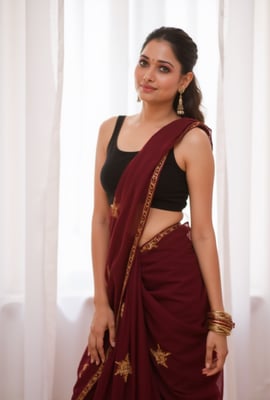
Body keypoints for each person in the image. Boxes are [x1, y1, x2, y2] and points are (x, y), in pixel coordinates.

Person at [71, 26, 234, 400]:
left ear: (184, 79)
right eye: (144, 63)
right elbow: (100, 219)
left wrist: (218, 322)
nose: (148, 75)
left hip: (173, 285)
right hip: (119, 283)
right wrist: (101, 302)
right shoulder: (109, 130)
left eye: (163, 68)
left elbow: (204, 233)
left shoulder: (190, 139)